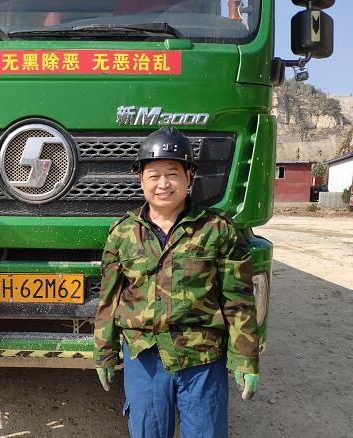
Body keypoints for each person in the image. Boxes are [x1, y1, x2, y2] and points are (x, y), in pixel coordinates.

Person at [93, 127, 260, 438]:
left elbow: (238, 299)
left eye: (172, 174)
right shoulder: (123, 233)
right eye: (153, 175)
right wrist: (103, 351)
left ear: (189, 177)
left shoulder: (218, 230)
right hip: (144, 358)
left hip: (202, 358)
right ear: (141, 179)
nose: (163, 184)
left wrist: (245, 358)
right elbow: (109, 299)